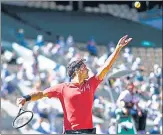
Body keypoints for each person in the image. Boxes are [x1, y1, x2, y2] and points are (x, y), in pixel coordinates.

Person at [16, 35, 132, 134]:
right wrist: (26, 98)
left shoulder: (91, 83)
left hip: (88, 132)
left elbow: (106, 67)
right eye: (84, 67)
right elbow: (41, 94)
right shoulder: (62, 88)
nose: (87, 69)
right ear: (77, 70)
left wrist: (118, 49)